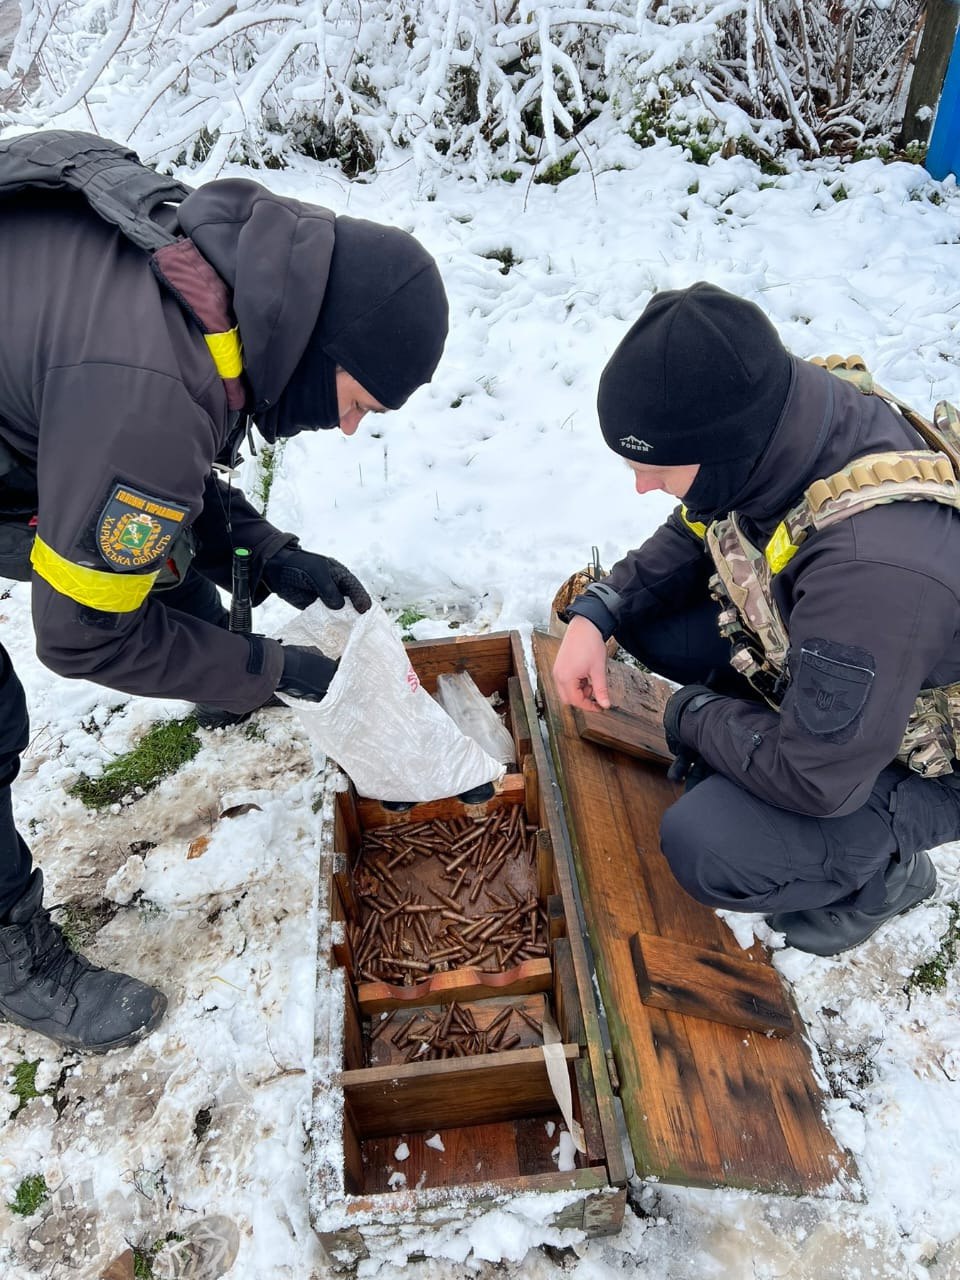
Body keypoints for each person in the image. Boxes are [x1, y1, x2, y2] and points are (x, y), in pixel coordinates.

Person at [0, 132, 449, 1051]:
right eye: (360, 403)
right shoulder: (147, 387)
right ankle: (9, 955)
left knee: (144, 548)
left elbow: (154, 447)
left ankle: (211, 671)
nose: (352, 428)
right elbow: (81, 633)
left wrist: (267, 550)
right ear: (324, 348)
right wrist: (270, 667)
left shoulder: (217, 262)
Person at [553, 281, 960, 957]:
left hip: (923, 761)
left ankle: (884, 874)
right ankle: (778, 731)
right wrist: (600, 611)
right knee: (644, 620)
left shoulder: (874, 571)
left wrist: (689, 717)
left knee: (710, 844)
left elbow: (815, 779)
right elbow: (700, 524)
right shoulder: (779, 414)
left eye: (654, 468)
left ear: (724, 451)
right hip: (855, 659)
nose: (640, 486)